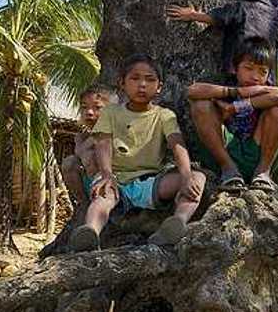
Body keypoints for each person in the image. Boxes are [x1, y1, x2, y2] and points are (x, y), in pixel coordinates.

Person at [69, 55, 207, 252]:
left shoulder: (164, 115)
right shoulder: (111, 113)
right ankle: (90, 232)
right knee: (103, 198)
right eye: (135, 78)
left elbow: (177, 145)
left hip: (150, 182)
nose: (142, 85)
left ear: (159, 87)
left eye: (149, 80)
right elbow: (103, 144)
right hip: (115, 179)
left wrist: (185, 175)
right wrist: (107, 174)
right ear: (122, 83)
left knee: (197, 178)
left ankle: (176, 223)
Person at [186, 41, 278, 192]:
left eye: (262, 72)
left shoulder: (265, 91)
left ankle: (263, 172)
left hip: (255, 156)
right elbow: (191, 91)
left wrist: (235, 107)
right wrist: (235, 92)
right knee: (201, 106)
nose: (255, 77)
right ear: (234, 68)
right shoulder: (225, 86)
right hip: (222, 159)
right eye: (248, 68)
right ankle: (229, 168)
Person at [165, 0, 278, 76]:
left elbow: (218, 18)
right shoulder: (277, 19)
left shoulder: (241, 6)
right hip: (263, 78)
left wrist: (192, 15)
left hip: (237, 72)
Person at [60, 86, 114, 212]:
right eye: (84, 107)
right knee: (69, 162)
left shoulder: (114, 132)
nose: (89, 112)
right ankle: (83, 205)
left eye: (98, 107)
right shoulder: (81, 137)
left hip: (112, 181)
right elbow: (79, 154)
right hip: (90, 183)